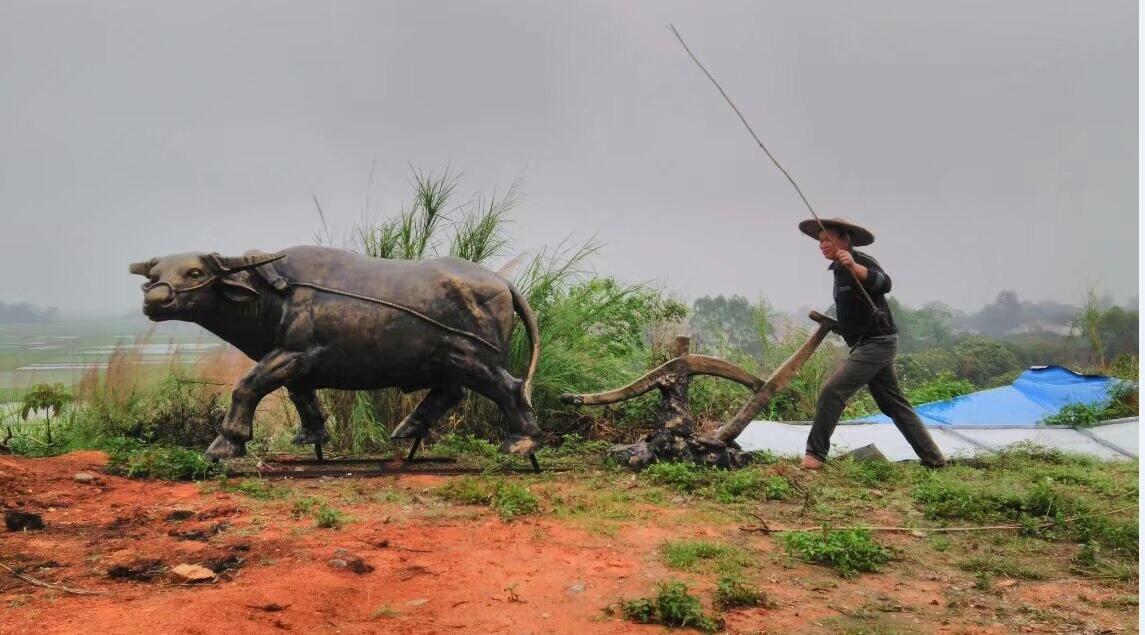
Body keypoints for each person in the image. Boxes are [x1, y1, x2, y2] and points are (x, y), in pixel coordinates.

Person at [797, 218, 946, 469]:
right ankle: (934, 459)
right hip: (864, 343)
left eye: (827, 240)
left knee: (833, 391)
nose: (822, 245)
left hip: (877, 342)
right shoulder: (837, 269)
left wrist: (854, 267)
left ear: (845, 240)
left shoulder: (860, 261)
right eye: (820, 241)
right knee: (894, 405)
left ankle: (814, 455)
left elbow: (884, 283)